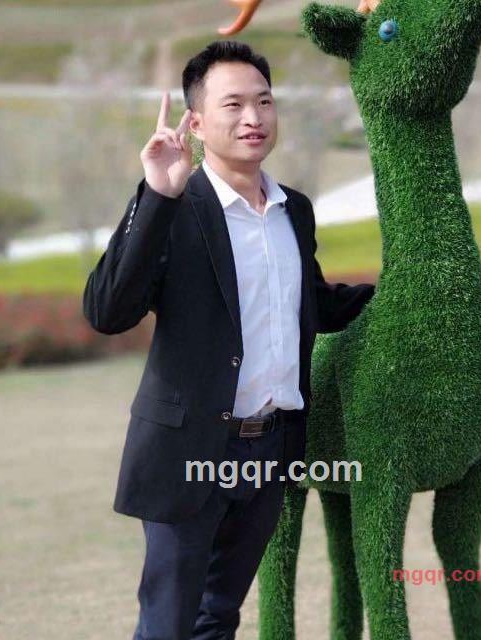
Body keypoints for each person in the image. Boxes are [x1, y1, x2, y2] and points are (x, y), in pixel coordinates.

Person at [83, 40, 375, 640]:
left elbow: (312, 304)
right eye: (234, 104)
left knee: (219, 618)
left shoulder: (294, 210)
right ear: (194, 123)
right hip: (191, 450)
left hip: (270, 448)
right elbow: (108, 310)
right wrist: (156, 195)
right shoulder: (174, 204)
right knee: (168, 626)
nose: (253, 117)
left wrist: (396, 295)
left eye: (264, 101)